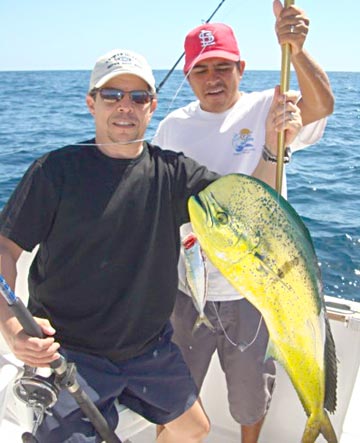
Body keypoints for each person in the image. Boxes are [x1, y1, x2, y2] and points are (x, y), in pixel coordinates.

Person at [0, 48, 223, 443]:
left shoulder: (175, 174)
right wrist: (13, 328)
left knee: (194, 428)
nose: (126, 106)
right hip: (68, 352)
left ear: (152, 106)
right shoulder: (54, 171)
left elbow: (239, 202)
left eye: (138, 97)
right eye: (112, 95)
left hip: (150, 349)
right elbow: (6, 250)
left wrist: (277, 142)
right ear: (91, 103)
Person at [152, 1, 334, 442]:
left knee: (251, 397)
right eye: (202, 70)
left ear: (241, 68)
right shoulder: (172, 128)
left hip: (256, 291)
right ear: (188, 76)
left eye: (223, 67)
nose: (213, 78)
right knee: (174, 397)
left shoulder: (269, 106)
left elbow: (322, 104)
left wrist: (297, 47)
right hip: (187, 289)